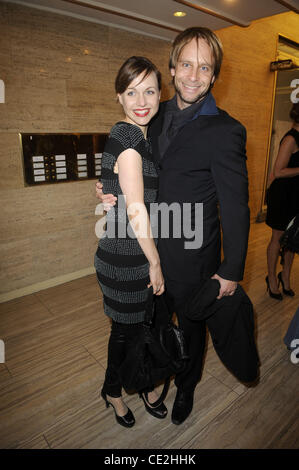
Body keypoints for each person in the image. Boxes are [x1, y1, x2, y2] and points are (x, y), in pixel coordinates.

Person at [96, 27, 250, 425]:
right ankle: (150, 378)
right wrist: (108, 188)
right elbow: (131, 167)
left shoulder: (226, 130)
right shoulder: (153, 110)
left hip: (192, 258)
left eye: (204, 67)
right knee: (151, 327)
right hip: (144, 257)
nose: (193, 75)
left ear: (214, 75)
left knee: (193, 332)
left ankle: (186, 388)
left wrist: (231, 270)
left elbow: (235, 207)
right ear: (172, 67)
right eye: (186, 64)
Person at [95, 56, 168, 428]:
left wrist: (105, 188)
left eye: (150, 90)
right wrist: (155, 263)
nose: (142, 100)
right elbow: (137, 209)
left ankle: (137, 383)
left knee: (132, 329)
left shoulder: (137, 135)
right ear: (119, 97)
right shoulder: (128, 139)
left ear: (160, 94)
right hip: (127, 257)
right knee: (125, 332)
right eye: (131, 91)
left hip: (125, 251)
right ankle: (113, 391)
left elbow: (121, 193)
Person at [266, 102, 299, 300]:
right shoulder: (290, 139)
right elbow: (278, 171)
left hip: (295, 195)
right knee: (278, 239)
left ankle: (285, 276)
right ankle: (271, 279)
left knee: (292, 241)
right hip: (283, 196)